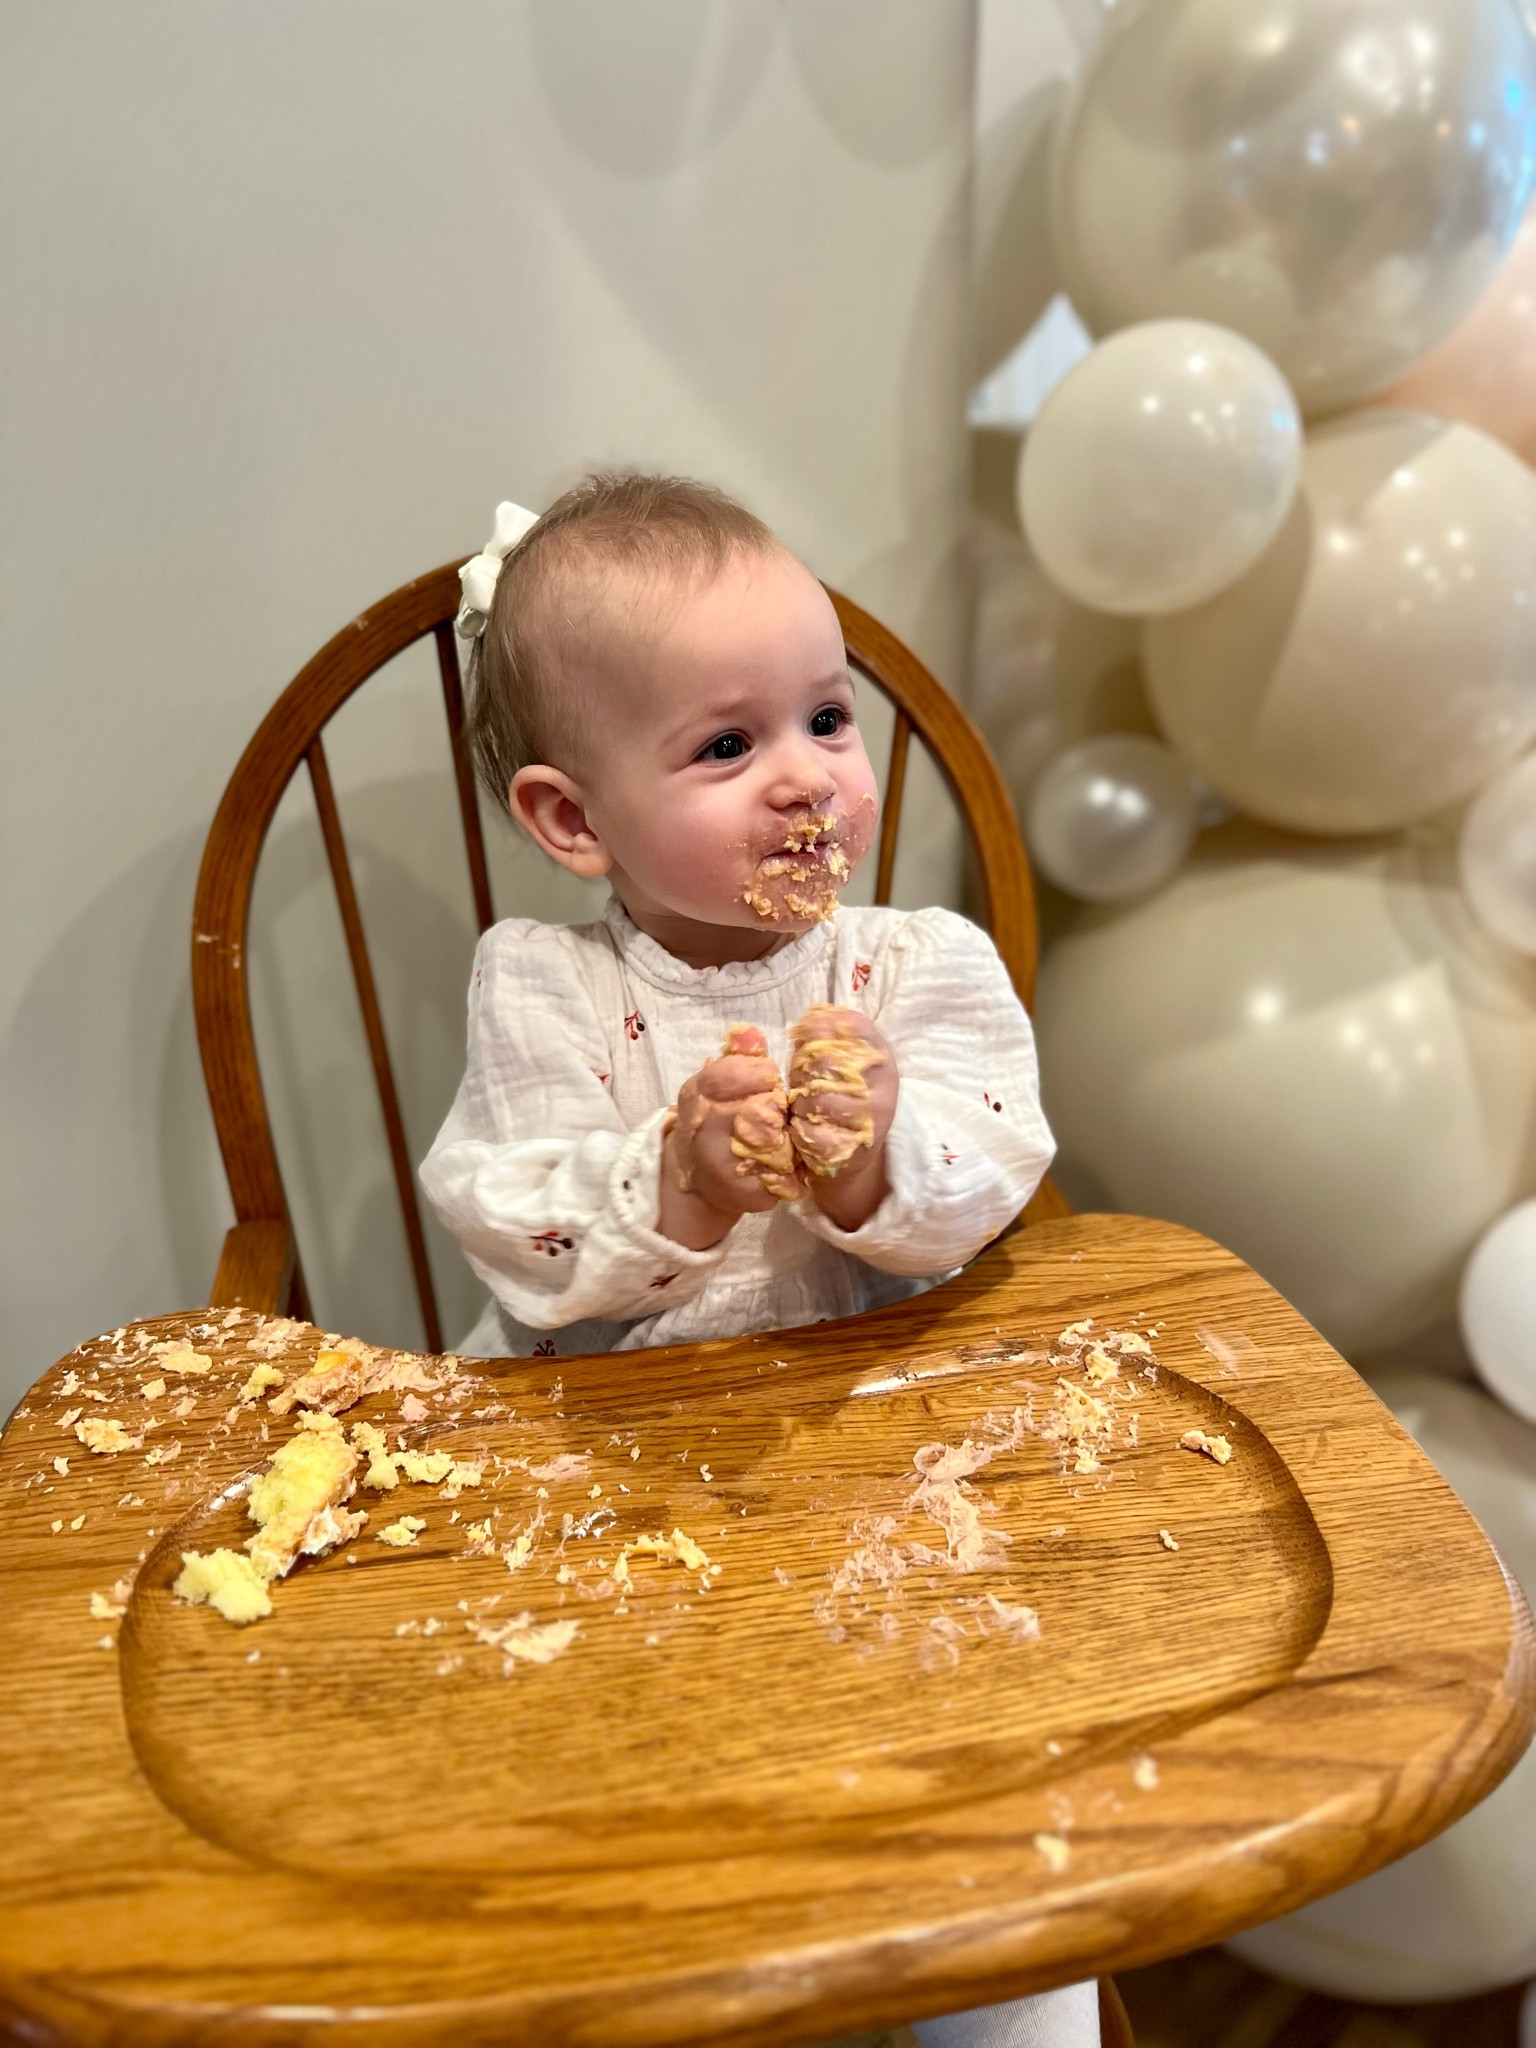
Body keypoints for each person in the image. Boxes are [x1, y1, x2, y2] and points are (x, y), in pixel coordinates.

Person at [420, 473, 1091, 2048]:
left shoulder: (916, 965)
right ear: (571, 822)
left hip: (893, 1461)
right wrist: (679, 1183)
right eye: (728, 747)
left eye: (828, 721)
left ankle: (1006, 1981)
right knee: (606, 1854)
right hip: (624, 1481)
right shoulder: (541, 988)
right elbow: (505, 1212)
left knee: (999, 1830)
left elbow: (999, 1169)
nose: (807, 783)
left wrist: (875, 1162)